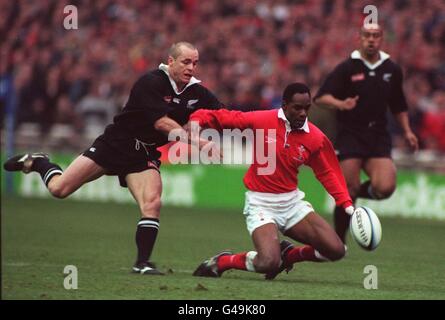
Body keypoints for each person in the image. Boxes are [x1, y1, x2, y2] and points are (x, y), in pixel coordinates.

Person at [3, 42, 223, 275]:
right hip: (116, 143)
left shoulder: (197, 92)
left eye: (195, 63)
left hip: (144, 152)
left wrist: (258, 124)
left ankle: (142, 263)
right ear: (171, 61)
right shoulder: (151, 82)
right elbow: (161, 123)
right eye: (186, 61)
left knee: (152, 203)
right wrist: (198, 141)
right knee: (59, 189)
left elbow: (224, 114)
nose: (191, 67)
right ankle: (39, 162)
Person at [190, 83, 354, 280]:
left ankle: (289, 256)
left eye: (307, 108)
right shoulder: (263, 120)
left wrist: (345, 203)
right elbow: (222, 117)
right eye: (297, 108)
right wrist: (196, 123)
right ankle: (223, 262)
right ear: (284, 106)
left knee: (336, 250)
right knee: (268, 262)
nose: (303, 113)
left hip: (292, 203)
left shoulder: (314, 137)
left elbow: (327, 172)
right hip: (261, 203)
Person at [313, 24, 418, 243]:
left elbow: (399, 104)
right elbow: (321, 97)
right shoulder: (347, 68)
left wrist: (408, 131)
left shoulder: (392, 69)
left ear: (382, 40)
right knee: (348, 186)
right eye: (367, 35)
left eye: (376, 36)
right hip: (350, 134)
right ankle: (339, 240)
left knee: (385, 187)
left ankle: (351, 194)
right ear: (359, 39)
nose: (371, 40)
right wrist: (341, 104)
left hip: (378, 135)